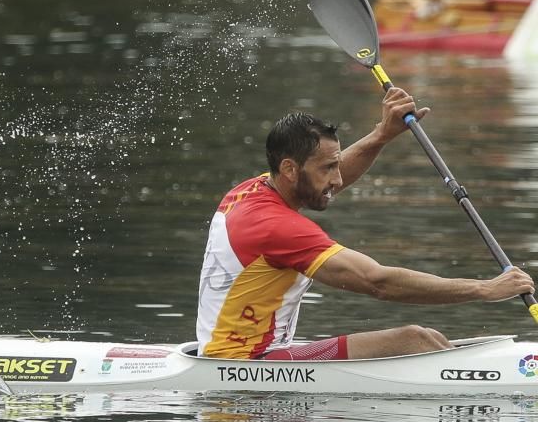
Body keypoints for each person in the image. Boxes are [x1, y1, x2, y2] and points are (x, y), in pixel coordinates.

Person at [196, 87, 535, 360]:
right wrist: (484, 289)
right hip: (244, 364)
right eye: (328, 168)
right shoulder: (277, 228)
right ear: (289, 169)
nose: (338, 179)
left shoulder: (253, 191)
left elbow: (333, 176)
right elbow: (377, 282)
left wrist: (382, 135)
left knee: (428, 338)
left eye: (336, 164)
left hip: (250, 354)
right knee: (414, 340)